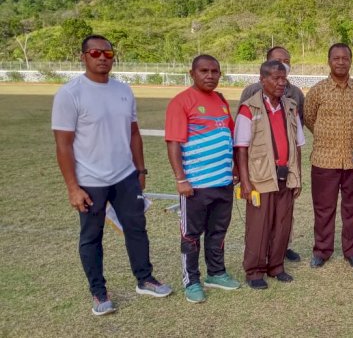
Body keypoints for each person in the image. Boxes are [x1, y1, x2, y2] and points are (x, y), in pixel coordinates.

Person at [52, 35, 172, 316]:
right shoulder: (70, 94)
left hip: (125, 177)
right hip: (90, 181)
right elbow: (63, 144)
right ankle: (98, 292)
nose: (103, 57)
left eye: (108, 52)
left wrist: (140, 170)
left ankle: (145, 278)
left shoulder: (123, 90)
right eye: (95, 52)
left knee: (136, 228)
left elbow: (133, 133)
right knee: (92, 237)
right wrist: (73, 187)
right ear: (83, 56)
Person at [164, 55, 241, 303]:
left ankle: (216, 273)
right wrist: (180, 178)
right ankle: (192, 281)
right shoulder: (181, 102)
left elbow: (229, 135)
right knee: (191, 235)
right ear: (192, 73)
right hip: (195, 185)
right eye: (204, 71)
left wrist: (235, 168)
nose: (210, 75)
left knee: (218, 231)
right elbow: (174, 142)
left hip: (223, 182)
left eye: (215, 71)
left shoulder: (220, 100)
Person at [235, 60, 306, 290]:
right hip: (260, 177)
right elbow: (241, 148)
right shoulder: (249, 108)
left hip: (286, 176)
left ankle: (276, 267)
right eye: (275, 78)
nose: (280, 83)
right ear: (262, 80)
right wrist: (245, 181)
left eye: (283, 78)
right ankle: (255, 271)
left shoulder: (291, 106)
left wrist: (298, 176)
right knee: (259, 226)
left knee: (282, 224)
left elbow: (298, 145)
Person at [304, 43, 353, 269]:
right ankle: (322, 251)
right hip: (325, 160)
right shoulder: (317, 91)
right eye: (336, 58)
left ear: (351, 61)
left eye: (345, 58)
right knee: (324, 208)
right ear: (329, 61)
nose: (341, 62)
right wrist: (326, 136)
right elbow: (309, 118)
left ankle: (352, 251)